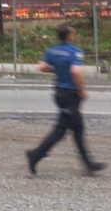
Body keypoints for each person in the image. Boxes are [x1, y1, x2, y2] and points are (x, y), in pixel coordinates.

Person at [25, 24, 106, 176]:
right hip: (71, 94)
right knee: (61, 131)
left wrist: (57, 69)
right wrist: (81, 90)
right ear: (69, 36)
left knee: (77, 129)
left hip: (59, 93)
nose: (74, 35)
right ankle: (35, 155)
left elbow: (42, 67)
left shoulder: (52, 50)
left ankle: (88, 164)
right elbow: (75, 71)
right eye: (73, 33)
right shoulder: (74, 51)